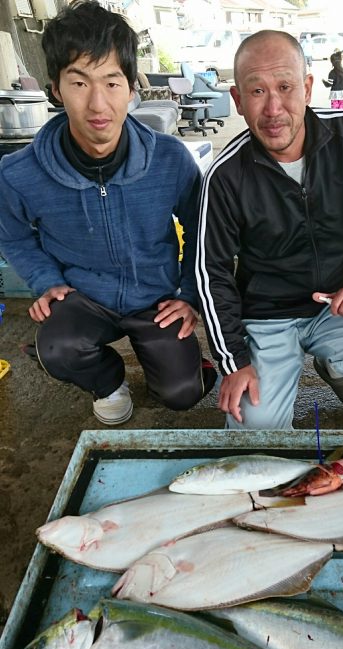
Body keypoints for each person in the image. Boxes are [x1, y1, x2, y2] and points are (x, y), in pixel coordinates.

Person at [0, 0, 216, 425]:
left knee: (182, 395)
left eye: (112, 82)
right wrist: (47, 281)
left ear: (132, 88)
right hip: (82, 298)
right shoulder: (17, 172)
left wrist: (189, 295)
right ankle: (106, 381)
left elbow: (202, 229)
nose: (98, 104)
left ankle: (182, 366)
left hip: (155, 297)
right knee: (57, 346)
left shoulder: (171, 159)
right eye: (79, 83)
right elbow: (12, 235)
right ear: (56, 89)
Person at [196, 30, 343, 430]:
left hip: (337, 302)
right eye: (257, 91)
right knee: (255, 429)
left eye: (285, 86)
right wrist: (234, 362)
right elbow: (211, 275)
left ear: (308, 87)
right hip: (267, 316)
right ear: (238, 100)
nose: (274, 108)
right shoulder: (224, 177)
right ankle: (278, 369)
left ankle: (337, 368)